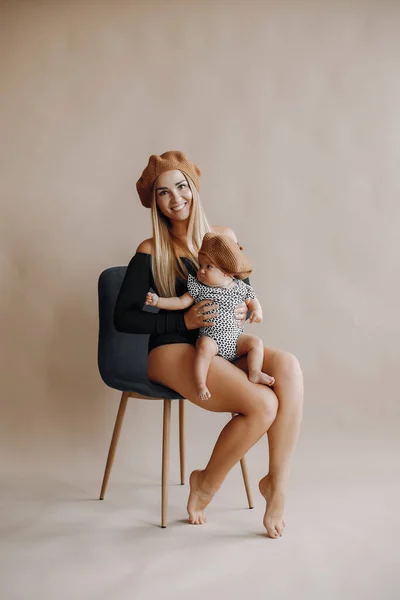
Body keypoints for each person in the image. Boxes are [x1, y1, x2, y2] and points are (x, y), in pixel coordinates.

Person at [114, 150, 304, 538]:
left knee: (289, 367)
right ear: (156, 202)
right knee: (263, 403)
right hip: (170, 351)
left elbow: (242, 287)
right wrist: (179, 319)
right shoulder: (150, 251)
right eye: (164, 192)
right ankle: (205, 483)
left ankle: (277, 485)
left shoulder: (224, 238)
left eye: (181, 187)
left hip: (221, 343)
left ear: (194, 189)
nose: (176, 198)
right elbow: (124, 317)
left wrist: (246, 310)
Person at [145, 231, 275, 401]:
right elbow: (180, 302)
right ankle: (200, 383)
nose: (201, 271)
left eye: (209, 267)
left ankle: (255, 372)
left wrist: (257, 312)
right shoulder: (200, 287)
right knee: (203, 346)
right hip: (212, 339)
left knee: (255, 343)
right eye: (201, 265)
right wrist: (158, 301)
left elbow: (253, 301)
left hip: (235, 341)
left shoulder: (239, 287)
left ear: (226, 272)